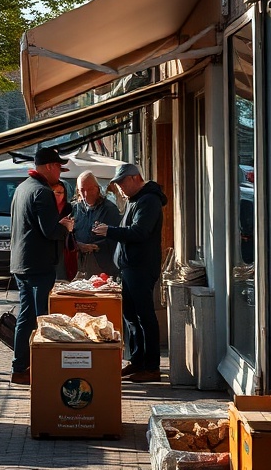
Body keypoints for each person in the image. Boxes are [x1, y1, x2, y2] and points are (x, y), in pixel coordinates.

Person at [92, 162, 166, 383]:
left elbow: (140, 232)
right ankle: (137, 360)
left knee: (145, 317)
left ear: (135, 178)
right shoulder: (134, 200)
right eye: (118, 184)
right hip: (128, 268)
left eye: (122, 183)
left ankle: (151, 366)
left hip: (141, 268)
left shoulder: (149, 200)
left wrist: (110, 231)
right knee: (131, 317)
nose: (120, 188)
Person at [9, 146, 76, 385]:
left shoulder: (22, 188)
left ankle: (19, 367)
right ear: (49, 166)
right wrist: (65, 227)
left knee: (26, 317)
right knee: (41, 318)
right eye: (58, 166)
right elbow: (49, 230)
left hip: (21, 263)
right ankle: (40, 368)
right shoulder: (42, 191)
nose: (60, 171)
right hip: (38, 264)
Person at [72, 172, 122, 278]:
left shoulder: (109, 209)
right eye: (82, 190)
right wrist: (78, 245)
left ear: (98, 189)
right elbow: (68, 235)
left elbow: (118, 237)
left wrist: (97, 246)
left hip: (102, 266)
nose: (86, 194)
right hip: (78, 265)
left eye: (90, 189)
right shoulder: (75, 209)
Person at [52, 181, 82, 281]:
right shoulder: (47, 208)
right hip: (52, 249)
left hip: (65, 248)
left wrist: (69, 227)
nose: (57, 195)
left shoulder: (69, 208)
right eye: (55, 192)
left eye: (61, 192)